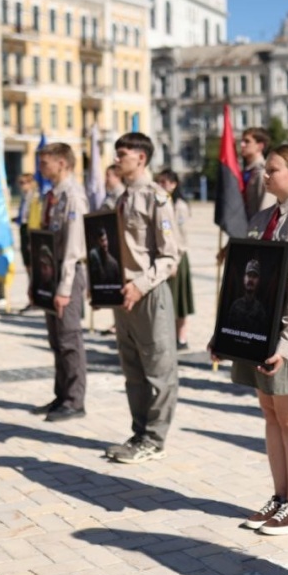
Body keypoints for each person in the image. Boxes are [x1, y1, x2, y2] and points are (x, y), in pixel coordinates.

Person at [210, 144, 288, 536]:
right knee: (269, 409)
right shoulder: (263, 217)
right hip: (257, 325)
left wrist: (284, 346)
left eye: (274, 169)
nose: (265, 175)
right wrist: (224, 332)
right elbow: (241, 278)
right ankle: (280, 497)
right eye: (266, 169)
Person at [103, 132, 180, 464]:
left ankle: (155, 438)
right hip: (124, 295)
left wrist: (140, 285)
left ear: (141, 158)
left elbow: (169, 257)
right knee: (132, 368)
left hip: (147, 293)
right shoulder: (122, 198)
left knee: (159, 369)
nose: (117, 158)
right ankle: (139, 432)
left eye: (123, 153)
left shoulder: (156, 198)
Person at [29, 143, 89, 422]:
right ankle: (61, 394)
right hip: (51, 274)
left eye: (45, 163)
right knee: (56, 339)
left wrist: (64, 288)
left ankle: (75, 401)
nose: (41, 169)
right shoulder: (52, 196)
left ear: (62, 163)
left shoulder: (73, 197)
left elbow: (74, 247)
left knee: (68, 339)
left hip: (68, 275)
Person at [157, 169, 195, 350]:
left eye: (165, 182)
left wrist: (176, 261)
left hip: (177, 258)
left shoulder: (179, 205)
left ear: (174, 184)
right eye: (159, 182)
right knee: (168, 299)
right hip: (165, 257)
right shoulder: (162, 203)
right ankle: (170, 335)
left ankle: (182, 338)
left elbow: (182, 236)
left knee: (180, 300)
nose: (161, 186)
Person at [226, 259, 269, 337]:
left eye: (254, 276)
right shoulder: (235, 306)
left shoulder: (260, 311)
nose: (251, 279)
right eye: (249, 275)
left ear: (258, 281)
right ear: (244, 278)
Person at [241, 127, 276, 220]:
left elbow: (266, 209)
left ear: (260, 146)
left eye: (247, 141)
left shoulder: (263, 172)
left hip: (255, 229)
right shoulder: (246, 171)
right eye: (242, 141)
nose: (242, 144)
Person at [16, 173, 39, 312]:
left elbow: (34, 218)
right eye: (21, 183)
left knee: (33, 267)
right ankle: (32, 297)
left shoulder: (35, 198)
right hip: (23, 230)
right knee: (27, 266)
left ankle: (35, 298)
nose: (22, 185)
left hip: (31, 232)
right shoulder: (24, 198)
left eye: (25, 182)